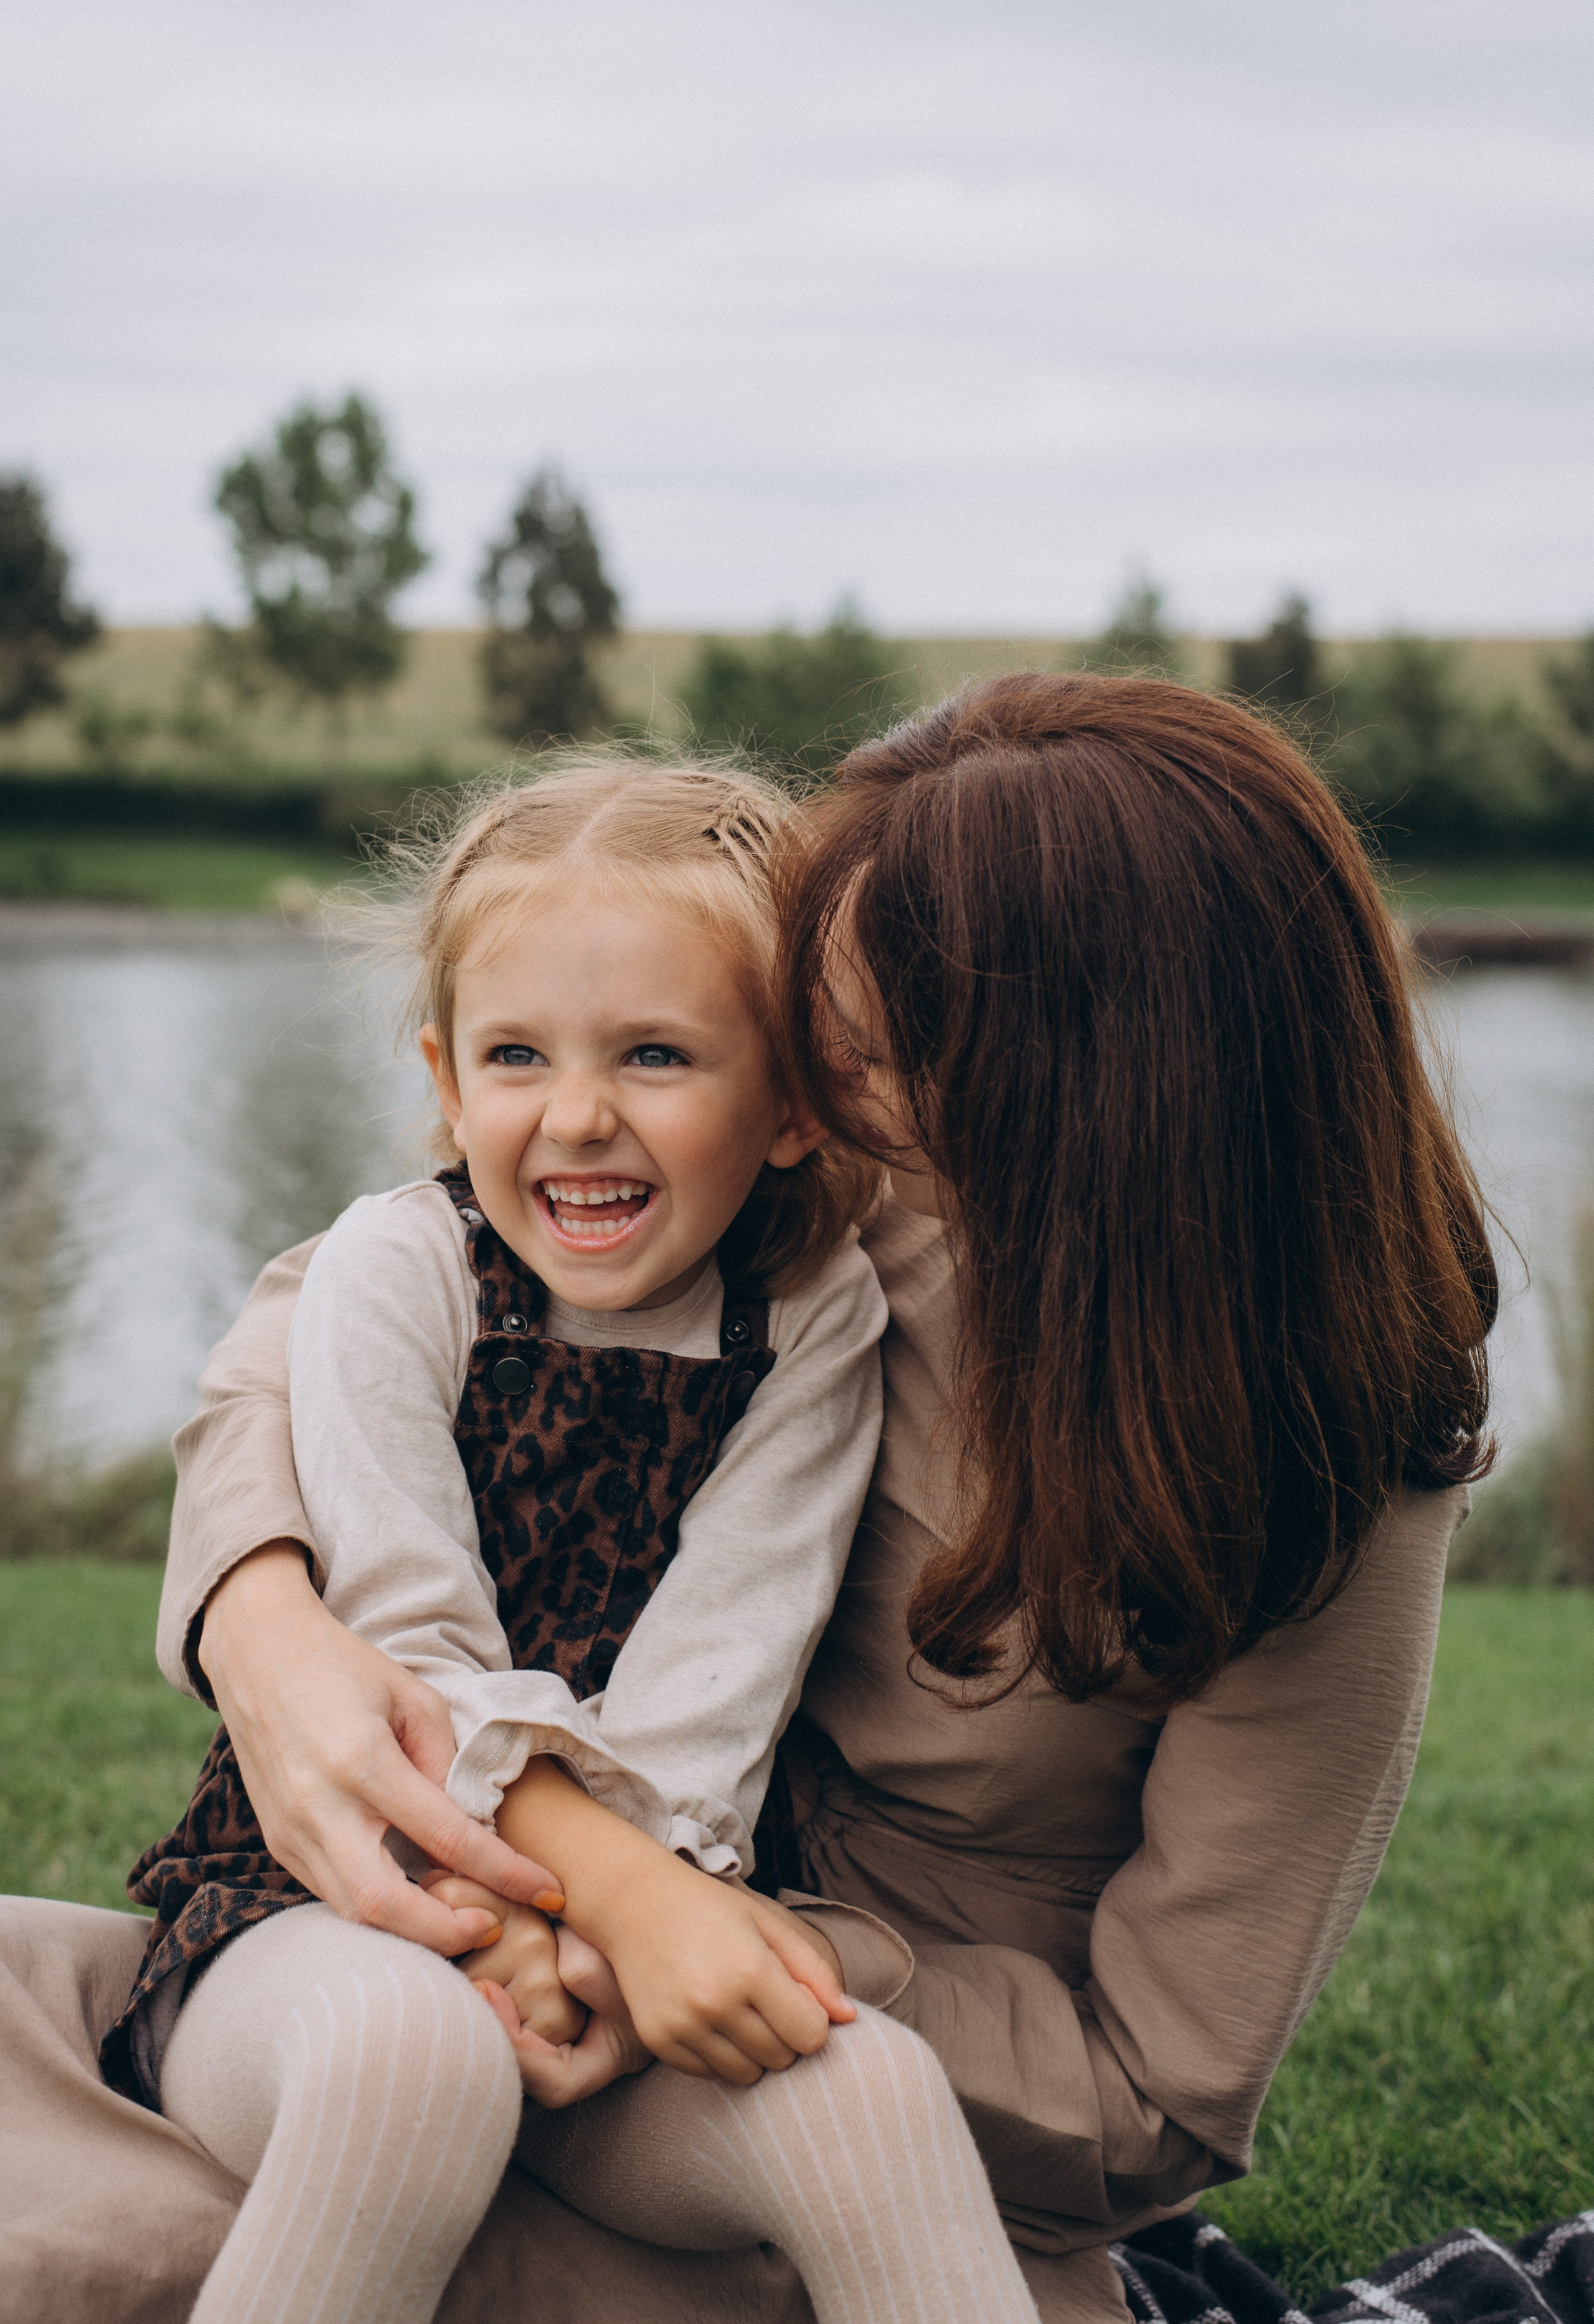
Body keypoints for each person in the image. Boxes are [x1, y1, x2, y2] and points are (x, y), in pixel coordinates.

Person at [0, 675, 1495, 2324]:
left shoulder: (1310, 1457)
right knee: (280, 2136)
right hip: (460, 1922)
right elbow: (339, 1308)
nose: (833, 1096)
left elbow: (1152, 2095)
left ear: (1092, 1098)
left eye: (866, 1054)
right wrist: (264, 1619)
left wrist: (741, 1952)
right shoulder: (876, 1203)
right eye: (824, 1043)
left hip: (815, 2057)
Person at [90, 757, 1056, 2324]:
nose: (579, 1116)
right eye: (517, 1054)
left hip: (641, 1916)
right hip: (324, 1907)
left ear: (795, 1104)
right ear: (447, 1080)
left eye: (658, 1054)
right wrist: (562, 1908)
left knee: (868, 2094)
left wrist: (621, 1924)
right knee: (413, 2057)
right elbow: (409, 1638)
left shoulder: (812, 1323)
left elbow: (721, 1676)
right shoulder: (395, 1274)